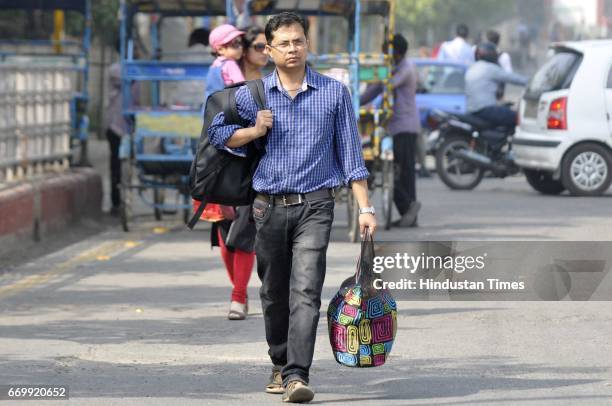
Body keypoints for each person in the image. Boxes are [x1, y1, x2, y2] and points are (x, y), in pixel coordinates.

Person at [208, 12, 376, 403]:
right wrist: (254, 130)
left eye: (298, 41)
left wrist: (366, 208)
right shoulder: (254, 96)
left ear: (308, 44)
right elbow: (217, 134)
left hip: (316, 207)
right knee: (273, 293)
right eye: (283, 43)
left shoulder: (334, 93)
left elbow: (352, 158)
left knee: (306, 290)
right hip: (267, 208)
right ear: (268, 50)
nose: (292, 49)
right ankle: (280, 361)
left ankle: (297, 374)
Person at [200, 24, 255, 321]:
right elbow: (241, 99)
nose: (240, 47)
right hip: (231, 152)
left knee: (236, 226)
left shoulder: (216, 68)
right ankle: (239, 293)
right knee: (228, 225)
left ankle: (239, 294)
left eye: (242, 43)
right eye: (234, 43)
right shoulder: (230, 68)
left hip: (225, 154)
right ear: (220, 48)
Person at [361, 34, 421, 228]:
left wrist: (375, 77)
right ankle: (408, 212)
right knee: (401, 172)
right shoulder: (397, 67)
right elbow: (376, 90)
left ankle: (409, 209)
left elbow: (386, 85)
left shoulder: (406, 68)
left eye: (388, 51)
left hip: (405, 126)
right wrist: (355, 101)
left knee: (402, 172)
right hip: (397, 126)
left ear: (396, 52)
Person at [104, 41, 138, 216]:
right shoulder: (115, 69)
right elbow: (125, 76)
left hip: (130, 125)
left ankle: (126, 199)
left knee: (128, 164)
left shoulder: (136, 71)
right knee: (115, 166)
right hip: (115, 124)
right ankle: (116, 202)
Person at [465, 42, 528, 130]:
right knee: (516, 117)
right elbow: (515, 79)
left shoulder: (472, 67)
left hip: (472, 109)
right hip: (486, 109)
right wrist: (532, 83)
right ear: (492, 55)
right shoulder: (490, 68)